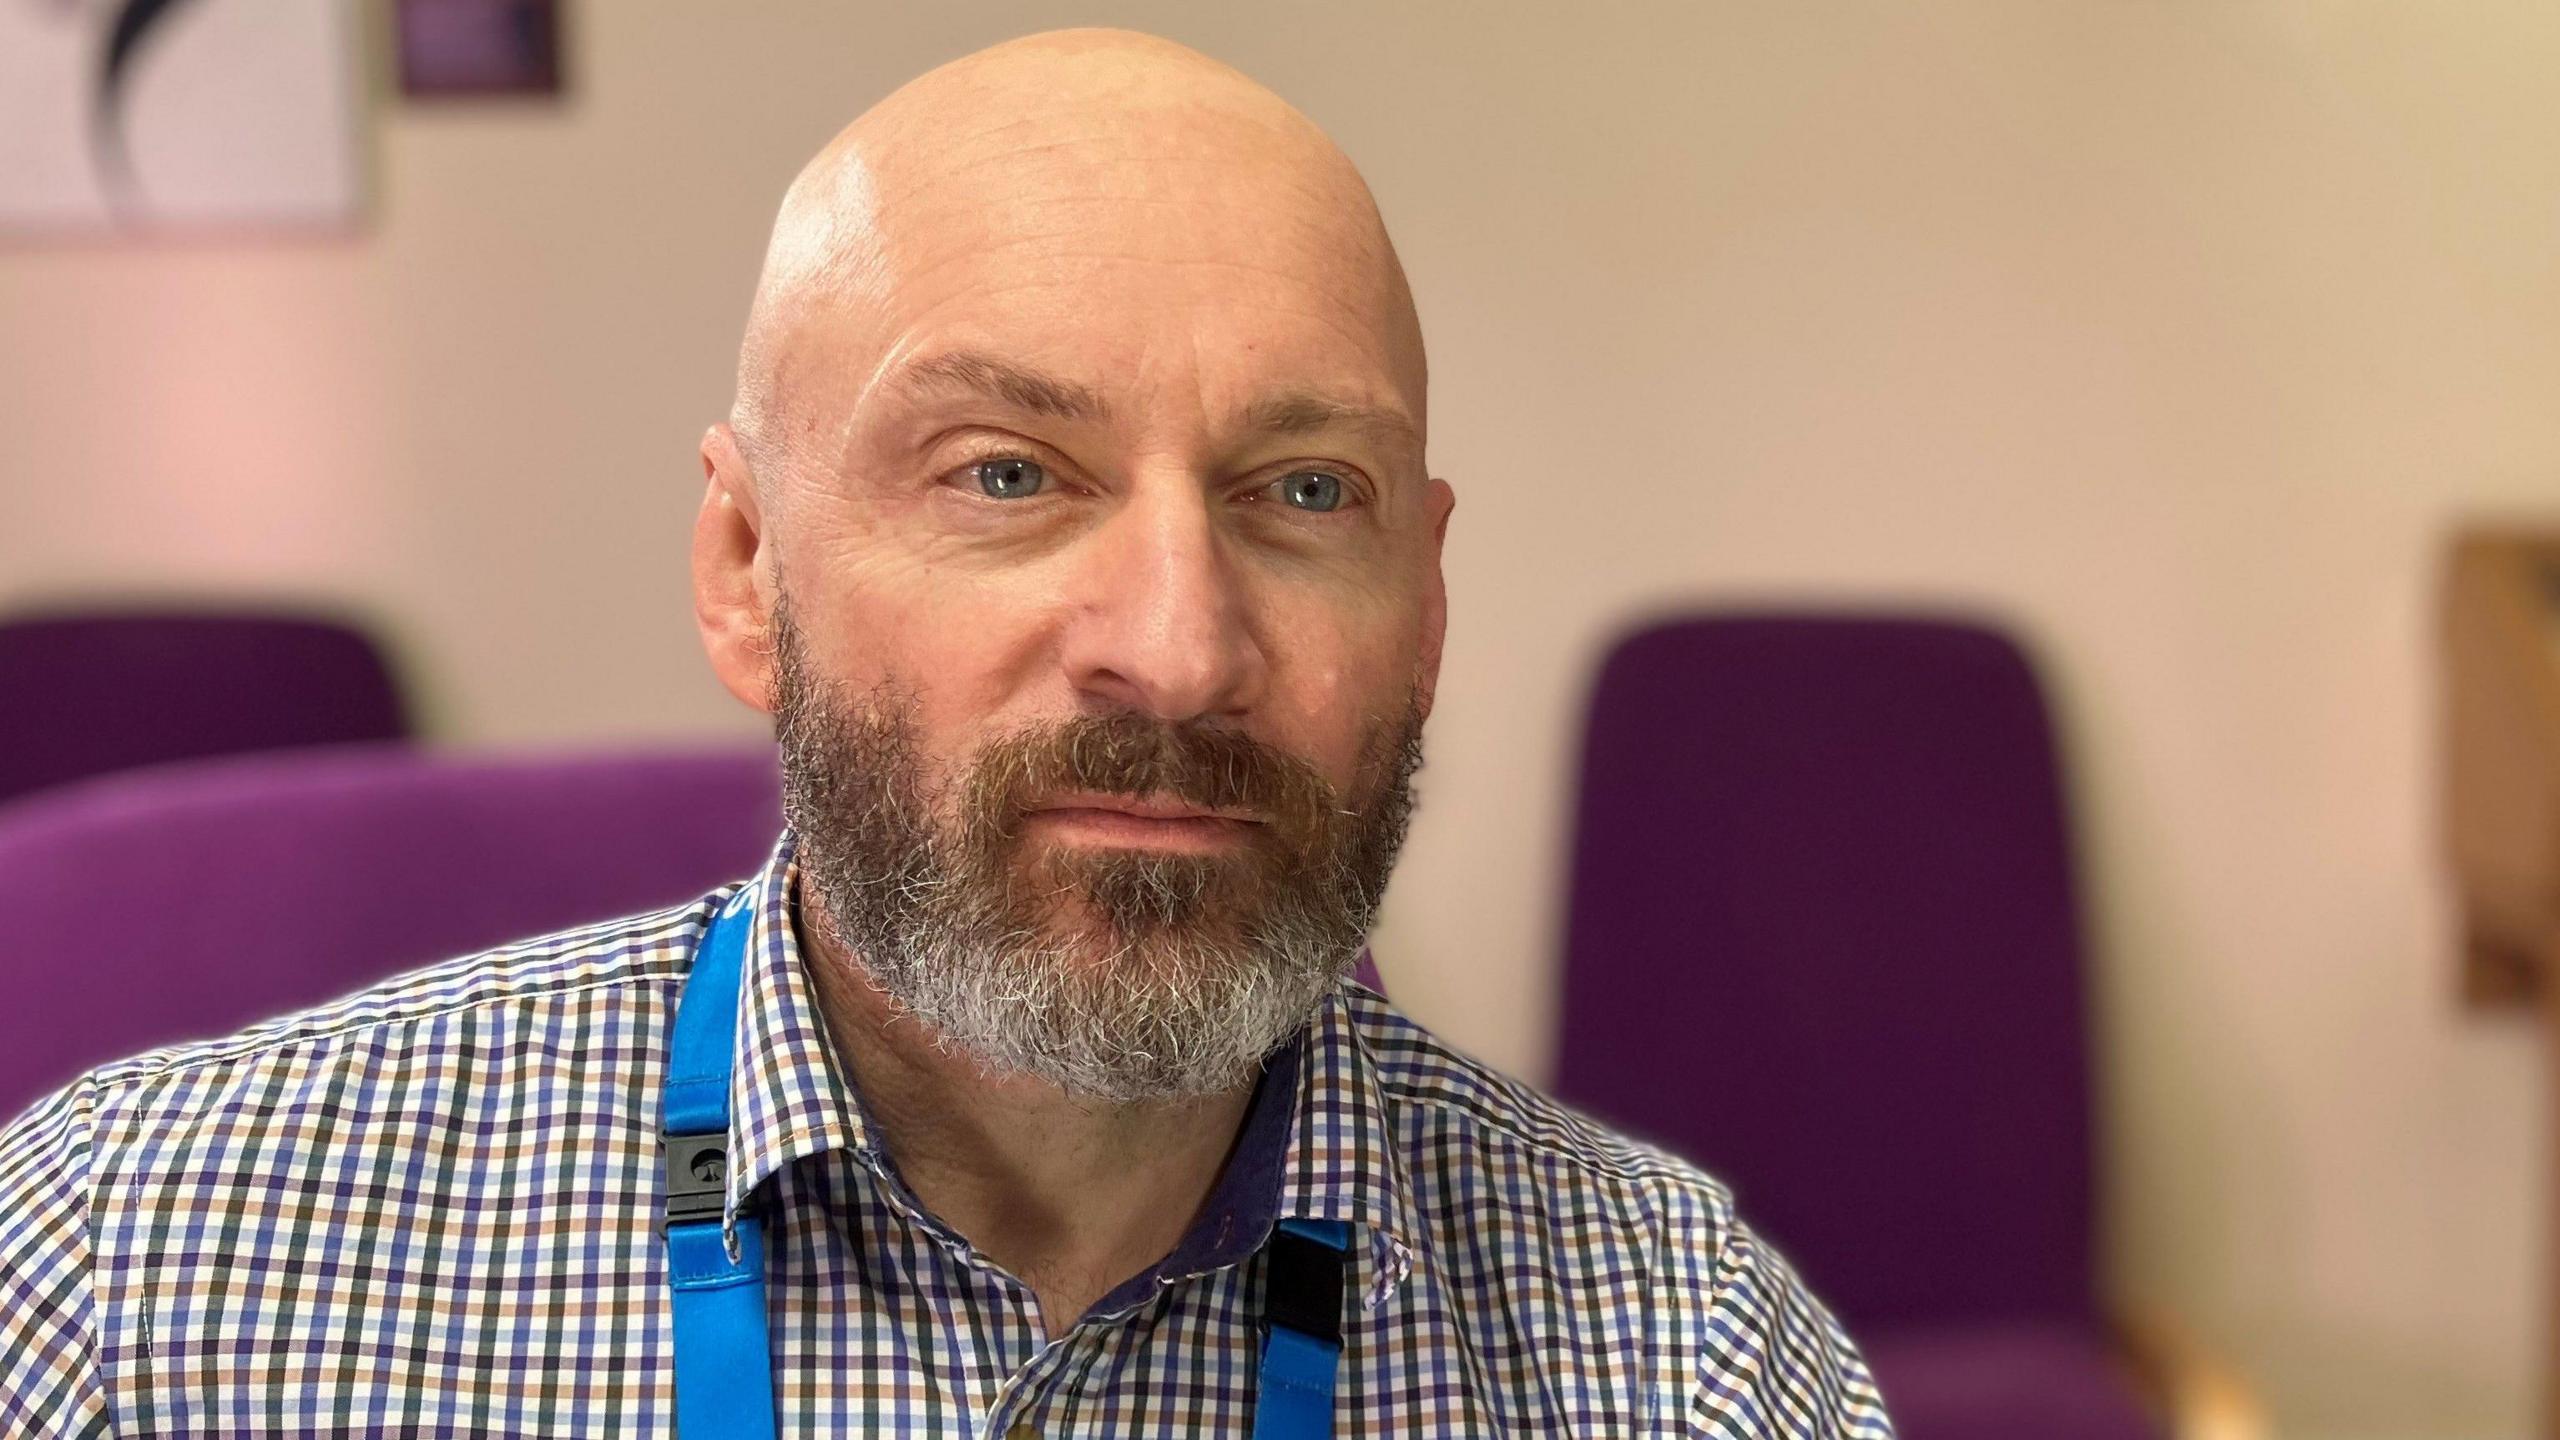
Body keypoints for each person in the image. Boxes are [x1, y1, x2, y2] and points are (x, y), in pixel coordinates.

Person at [0, 29, 1889, 1437]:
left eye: (1307, 493)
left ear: (1432, 603)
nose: (1176, 647)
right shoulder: (143, 1287)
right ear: (749, 570)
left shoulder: (1683, 1356)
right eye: (1008, 472)